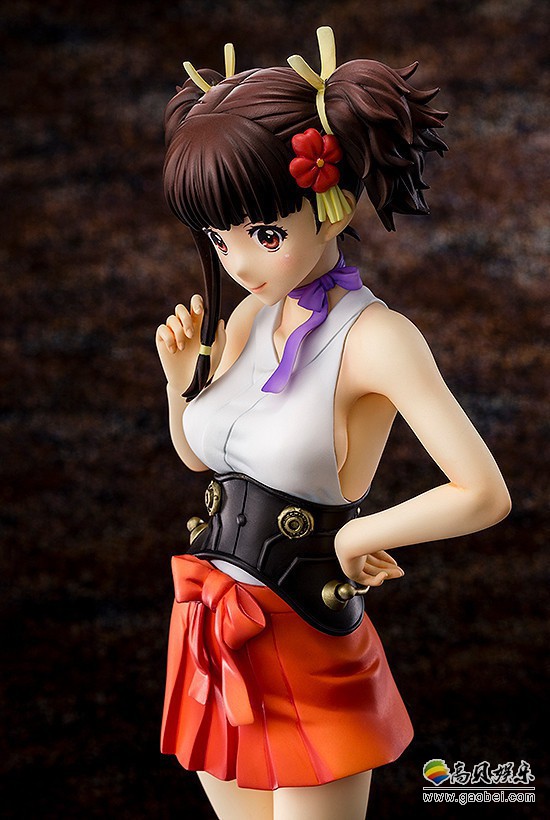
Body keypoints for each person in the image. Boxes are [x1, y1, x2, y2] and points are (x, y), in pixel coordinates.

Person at [155, 27, 511, 820]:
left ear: (332, 203)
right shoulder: (249, 315)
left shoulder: (378, 339)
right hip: (213, 625)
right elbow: (201, 460)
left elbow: (484, 493)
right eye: (217, 238)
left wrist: (355, 538)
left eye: (264, 234)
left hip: (306, 627)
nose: (239, 261)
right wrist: (181, 386)